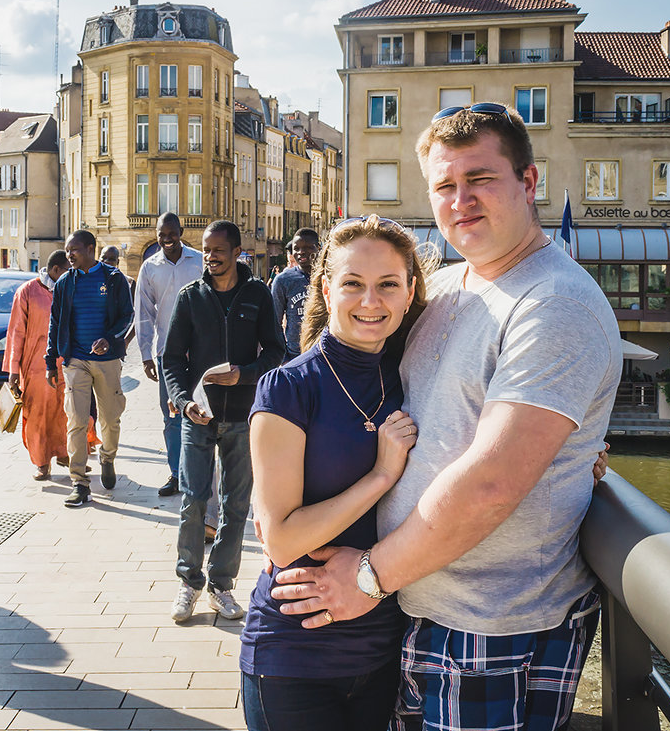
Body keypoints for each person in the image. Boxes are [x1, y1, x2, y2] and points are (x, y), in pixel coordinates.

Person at [272, 104, 623, 731]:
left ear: (529, 182)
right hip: (419, 604)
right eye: (444, 185)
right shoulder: (452, 288)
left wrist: (370, 577)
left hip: (492, 627)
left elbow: (491, 483)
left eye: (481, 179)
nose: (461, 200)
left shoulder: (554, 304)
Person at [241, 216, 427, 731]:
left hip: (385, 646)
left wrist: (574, 457)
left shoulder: (412, 378)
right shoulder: (287, 389)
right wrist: (380, 475)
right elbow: (280, 540)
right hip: (295, 653)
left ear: (409, 293)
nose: (371, 301)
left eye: (388, 284)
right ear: (325, 288)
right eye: (353, 284)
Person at [162, 220, 285, 622]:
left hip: (243, 418)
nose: (211, 256)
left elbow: (275, 352)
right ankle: (188, 583)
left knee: (235, 505)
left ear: (237, 253)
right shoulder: (190, 298)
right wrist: (182, 401)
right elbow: (172, 360)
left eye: (219, 250)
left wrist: (244, 374)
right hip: (198, 416)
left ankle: (221, 586)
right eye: (207, 249)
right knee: (193, 500)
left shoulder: (258, 296)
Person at [46, 229, 134, 508]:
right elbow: (55, 324)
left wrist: (109, 340)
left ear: (90, 249)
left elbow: (126, 316)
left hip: (107, 362)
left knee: (110, 418)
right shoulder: (64, 284)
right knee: (76, 420)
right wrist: (51, 361)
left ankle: (107, 457)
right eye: (68, 250)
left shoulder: (113, 278)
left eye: (74, 250)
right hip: (76, 362)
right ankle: (79, 482)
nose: (69, 255)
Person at [134, 212, 204, 498]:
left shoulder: (200, 261)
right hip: (167, 355)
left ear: (181, 231)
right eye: (162, 234)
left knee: (204, 413)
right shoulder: (149, 268)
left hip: (201, 354)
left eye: (172, 233)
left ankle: (200, 474)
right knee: (172, 415)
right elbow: (144, 313)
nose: (167, 239)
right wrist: (145, 355)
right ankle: (176, 474)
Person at [4, 250, 71, 481]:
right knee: (38, 415)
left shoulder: (70, 289)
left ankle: (65, 452)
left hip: (68, 364)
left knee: (67, 411)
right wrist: (13, 370)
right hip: (36, 366)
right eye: (67, 271)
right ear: (55, 270)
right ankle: (42, 462)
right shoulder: (27, 292)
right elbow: (16, 332)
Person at [271, 227, 320, 361]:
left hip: (325, 353)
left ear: (318, 248)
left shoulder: (330, 277)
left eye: (308, 247)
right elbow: (275, 322)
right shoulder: (283, 280)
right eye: (296, 248)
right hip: (294, 356)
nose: (301, 252)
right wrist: (283, 355)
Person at [100, 245, 136, 348]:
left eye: (111, 259)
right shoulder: (91, 281)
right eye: (103, 258)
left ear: (117, 262)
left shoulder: (128, 283)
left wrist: (126, 341)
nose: (107, 261)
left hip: (115, 342)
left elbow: (136, 316)